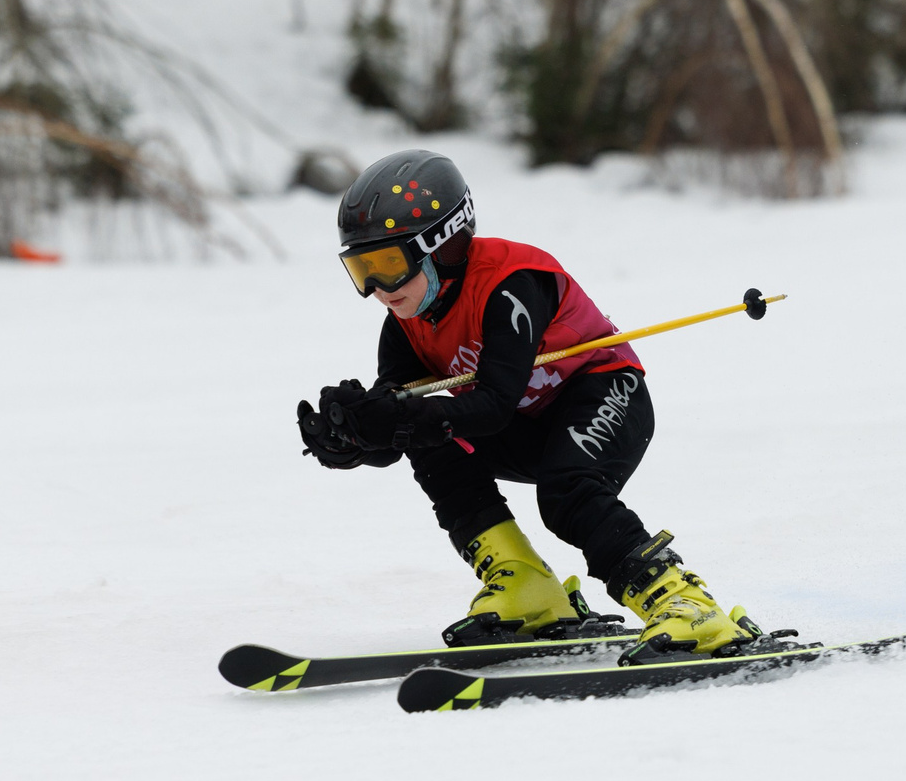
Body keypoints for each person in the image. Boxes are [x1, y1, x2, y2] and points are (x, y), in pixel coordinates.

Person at [296, 148, 754, 656]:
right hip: (526, 423)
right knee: (430, 442)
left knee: (566, 493)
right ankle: (527, 585)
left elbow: (491, 405)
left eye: (389, 264)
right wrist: (355, 437)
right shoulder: (403, 327)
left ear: (443, 246)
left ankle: (687, 605)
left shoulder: (510, 282)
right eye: (362, 270)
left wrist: (399, 419)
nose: (379, 290)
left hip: (603, 392)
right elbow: (402, 428)